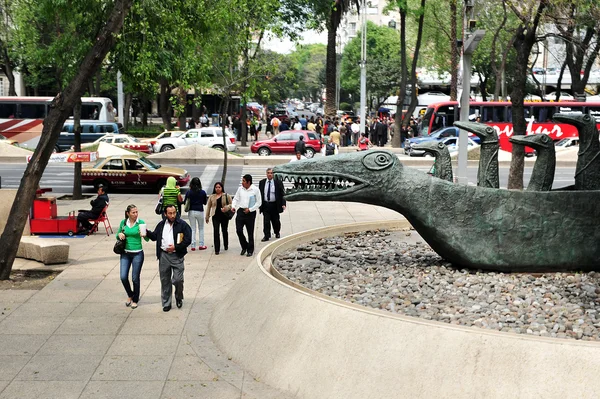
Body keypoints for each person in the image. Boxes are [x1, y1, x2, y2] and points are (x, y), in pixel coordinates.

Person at [146, 205, 192, 312]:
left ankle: (179, 296)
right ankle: (166, 303)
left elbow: (188, 239)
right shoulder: (161, 225)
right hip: (164, 256)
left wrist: (176, 247)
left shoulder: (182, 225)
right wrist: (146, 233)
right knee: (165, 280)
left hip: (177, 255)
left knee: (178, 280)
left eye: (174, 213)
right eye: (170, 213)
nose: (172, 215)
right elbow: (154, 237)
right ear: (165, 214)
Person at [118, 204, 149, 309]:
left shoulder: (141, 223)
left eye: (137, 212)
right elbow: (117, 234)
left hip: (137, 253)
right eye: (133, 212)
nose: (136, 214)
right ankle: (130, 294)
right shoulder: (123, 223)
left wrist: (144, 235)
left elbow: (147, 239)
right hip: (125, 253)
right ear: (128, 213)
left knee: (135, 278)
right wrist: (120, 235)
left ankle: (135, 299)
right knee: (123, 277)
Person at [231, 174, 262, 257]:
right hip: (241, 211)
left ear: (248, 182)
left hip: (250, 213)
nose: (242, 183)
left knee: (250, 232)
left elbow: (259, 203)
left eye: (244, 181)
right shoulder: (240, 189)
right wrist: (233, 206)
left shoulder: (255, 190)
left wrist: (250, 209)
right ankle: (244, 246)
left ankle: (250, 250)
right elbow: (236, 199)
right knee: (239, 230)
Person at [205, 182, 233, 255]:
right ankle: (217, 249)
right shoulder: (212, 196)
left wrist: (226, 208)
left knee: (224, 230)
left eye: (219, 187)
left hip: (224, 216)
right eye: (216, 187)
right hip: (215, 216)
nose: (217, 189)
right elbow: (208, 207)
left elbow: (231, 204)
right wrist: (207, 216)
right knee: (216, 232)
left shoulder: (226, 195)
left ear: (222, 188)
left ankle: (226, 244)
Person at [259, 168, 286, 242]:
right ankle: (266, 235)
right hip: (266, 205)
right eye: (268, 173)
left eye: (271, 173)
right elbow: (260, 194)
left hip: (274, 205)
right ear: (266, 174)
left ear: (273, 174)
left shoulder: (278, 183)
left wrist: (283, 204)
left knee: (276, 221)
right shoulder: (262, 182)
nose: (270, 174)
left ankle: (277, 232)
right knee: (266, 221)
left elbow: (282, 194)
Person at [184, 177, 207, 251]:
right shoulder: (203, 192)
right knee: (201, 228)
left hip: (191, 211)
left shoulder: (189, 192)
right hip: (200, 210)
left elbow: (185, 202)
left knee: (193, 228)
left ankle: (193, 245)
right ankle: (201, 244)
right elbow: (205, 202)